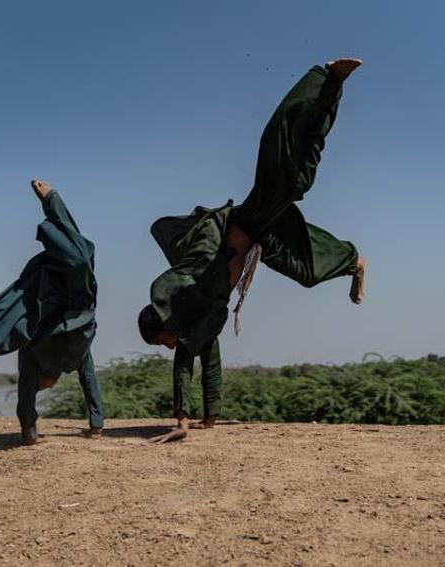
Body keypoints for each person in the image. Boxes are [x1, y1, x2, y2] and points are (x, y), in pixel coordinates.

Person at [139, 58, 368, 443]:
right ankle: (352, 261)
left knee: (277, 151)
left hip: (249, 219)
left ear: (163, 321)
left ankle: (326, 77)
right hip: (267, 237)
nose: (168, 346)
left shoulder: (185, 291)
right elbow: (205, 364)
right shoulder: (199, 322)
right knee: (306, 249)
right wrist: (197, 422)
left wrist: (179, 424)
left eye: (162, 340)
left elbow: (182, 367)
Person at [0, 179, 104, 445]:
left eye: (40, 386)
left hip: (62, 310)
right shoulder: (75, 354)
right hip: (74, 311)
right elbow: (88, 379)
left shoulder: (37, 353)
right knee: (77, 258)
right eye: (44, 386)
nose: (44, 386)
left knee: (11, 314)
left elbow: (28, 388)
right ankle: (52, 201)